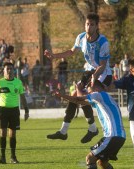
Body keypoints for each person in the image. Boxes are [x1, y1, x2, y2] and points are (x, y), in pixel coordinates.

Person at [44, 12, 112, 143]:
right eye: (87, 24)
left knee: (86, 98)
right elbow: (71, 51)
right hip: (90, 70)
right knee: (76, 95)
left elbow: (103, 65)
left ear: (97, 26)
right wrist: (54, 56)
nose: (89, 27)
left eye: (92, 24)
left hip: (103, 73)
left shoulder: (103, 42)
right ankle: (65, 131)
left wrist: (94, 78)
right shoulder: (81, 38)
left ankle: (100, 129)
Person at [55, 80, 126, 169]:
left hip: (112, 136)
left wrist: (78, 88)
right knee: (102, 163)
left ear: (95, 88)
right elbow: (78, 101)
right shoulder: (103, 99)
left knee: (90, 158)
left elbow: (80, 98)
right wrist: (62, 96)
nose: (89, 93)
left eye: (89, 91)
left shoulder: (98, 95)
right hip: (120, 136)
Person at [0, 62, 29, 164]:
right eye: (7, 69)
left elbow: (22, 97)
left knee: (13, 134)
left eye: (11, 68)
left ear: (13, 70)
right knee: (3, 133)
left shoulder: (18, 82)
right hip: (2, 110)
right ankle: (2, 157)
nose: (9, 70)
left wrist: (26, 110)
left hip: (14, 110)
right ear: (3, 71)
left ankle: (13, 157)